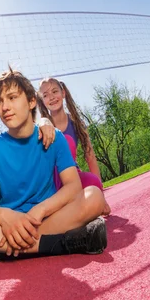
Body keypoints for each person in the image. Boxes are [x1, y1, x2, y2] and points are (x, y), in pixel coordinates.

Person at [0, 68, 107, 272]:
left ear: (31, 101)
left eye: (12, 97)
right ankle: (58, 244)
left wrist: (40, 210)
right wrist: (6, 217)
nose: (5, 107)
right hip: (7, 225)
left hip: (48, 218)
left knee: (94, 197)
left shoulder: (54, 137)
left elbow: (73, 186)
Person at [38, 77, 110, 215]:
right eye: (46, 95)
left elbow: (90, 156)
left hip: (73, 176)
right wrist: (42, 122)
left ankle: (74, 202)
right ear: (42, 100)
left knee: (93, 182)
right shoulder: (43, 125)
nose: (51, 97)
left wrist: (102, 197)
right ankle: (61, 204)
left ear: (63, 93)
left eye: (54, 92)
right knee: (66, 141)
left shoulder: (76, 123)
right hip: (53, 180)